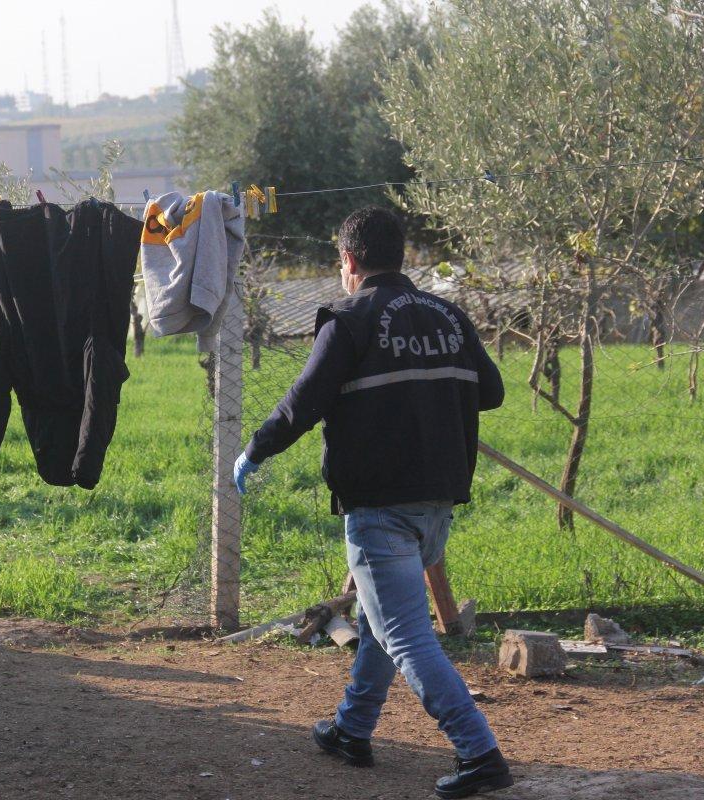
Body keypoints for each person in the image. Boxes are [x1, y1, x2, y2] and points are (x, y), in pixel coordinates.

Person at [233, 206, 512, 798]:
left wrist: (255, 450)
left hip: (381, 504)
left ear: (350, 262)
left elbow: (302, 401)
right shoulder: (449, 315)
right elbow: (491, 392)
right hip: (439, 500)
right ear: (401, 256)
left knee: (406, 633)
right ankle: (351, 729)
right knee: (383, 617)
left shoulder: (349, 319)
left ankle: (479, 751)